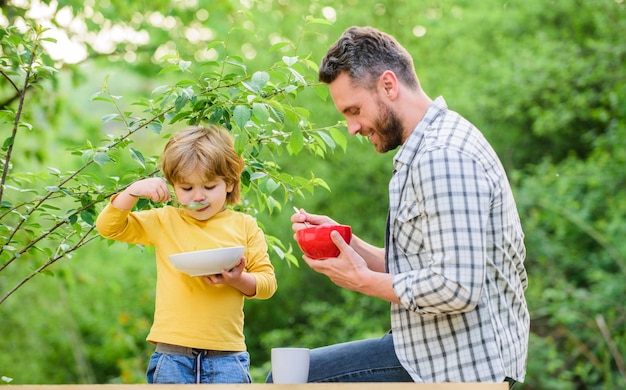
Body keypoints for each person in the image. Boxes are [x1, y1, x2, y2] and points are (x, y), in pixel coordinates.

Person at [279, 26, 529, 388]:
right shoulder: (428, 147)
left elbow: (456, 286)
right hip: (429, 351)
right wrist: (348, 246)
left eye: (354, 110)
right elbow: (426, 267)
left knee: (291, 378)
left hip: (457, 366)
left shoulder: (443, 156)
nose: (351, 128)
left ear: (388, 85)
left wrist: (363, 282)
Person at [96, 125, 277, 384]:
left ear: (229, 182)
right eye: (187, 188)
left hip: (227, 356)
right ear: (173, 186)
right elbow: (108, 227)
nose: (198, 196)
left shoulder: (245, 225)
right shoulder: (165, 220)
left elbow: (268, 284)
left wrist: (237, 280)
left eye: (209, 186)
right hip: (172, 354)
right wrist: (132, 191)